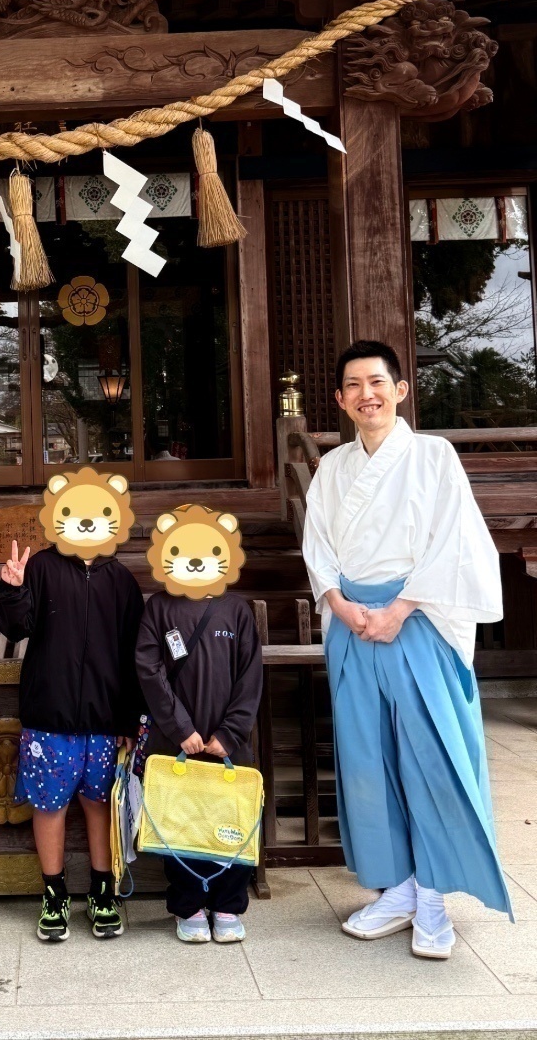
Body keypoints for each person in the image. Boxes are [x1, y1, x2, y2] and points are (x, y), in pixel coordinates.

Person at [302, 339, 512, 960]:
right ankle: (397, 886)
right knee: (368, 759)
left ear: (400, 390)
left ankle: (434, 898)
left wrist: (400, 608)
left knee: (430, 755)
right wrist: (337, 603)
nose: (367, 394)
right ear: (340, 401)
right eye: (354, 386)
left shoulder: (433, 456)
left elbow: (455, 542)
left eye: (377, 382)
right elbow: (319, 545)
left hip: (414, 618)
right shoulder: (332, 468)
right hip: (353, 623)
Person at [0, 539, 144, 942]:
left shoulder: (121, 580)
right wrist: (12, 588)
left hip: (105, 720)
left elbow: (136, 654)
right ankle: (54, 894)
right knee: (49, 806)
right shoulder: (42, 566)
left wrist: (130, 720)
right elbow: (15, 627)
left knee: (99, 805)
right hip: (49, 716)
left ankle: (101, 893)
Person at [135, 584, 262, 944]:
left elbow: (250, 676)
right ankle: (188, 905)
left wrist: (232, 731)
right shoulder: (159, 607)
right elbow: (148, 667)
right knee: (179, 820)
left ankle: (228, 904)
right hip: (177, 740)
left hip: (228, 744)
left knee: (232, 817)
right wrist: (179, 727)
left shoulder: (236, 609)